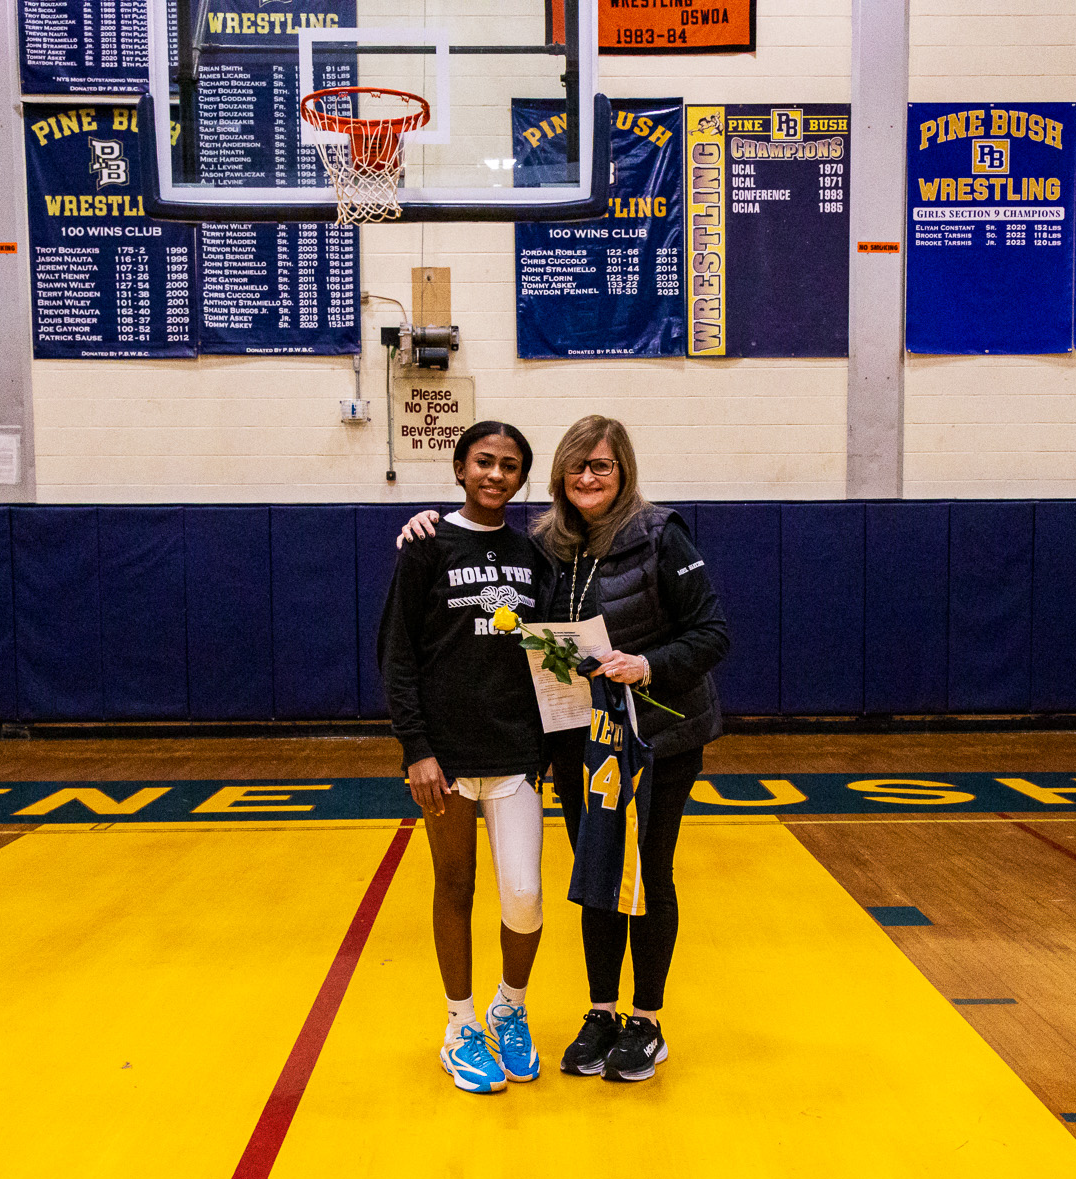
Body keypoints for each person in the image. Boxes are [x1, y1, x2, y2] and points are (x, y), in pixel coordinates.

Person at [398, 415, 729, 1083]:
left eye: (600, 466)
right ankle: (602, 1009)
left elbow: (712, 632)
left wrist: (649, 663)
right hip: (583, 742)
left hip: (659, 735)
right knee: (598, 876)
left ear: (623, 470)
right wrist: (418, 525)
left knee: (647, 873)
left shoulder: (662, 533)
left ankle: (647, 1020)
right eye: (576, 466)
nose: (587, 477)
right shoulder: (546, 545)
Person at [377, 421, 546, 1095]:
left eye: (509, 465)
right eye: (483, 461)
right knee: (455, 886)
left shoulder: (533, 555)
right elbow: (397, 656)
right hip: (445, 759)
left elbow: (550, 656)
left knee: (525, 895)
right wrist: (416, 749)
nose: (495, 474)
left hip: (513, 752)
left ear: (521, 477)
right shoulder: (425, 546)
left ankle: (510, 1005)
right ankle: (460, 1025)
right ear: (458, 467)